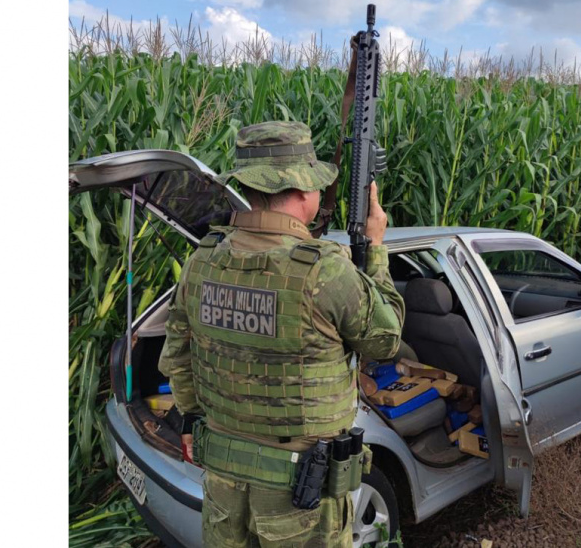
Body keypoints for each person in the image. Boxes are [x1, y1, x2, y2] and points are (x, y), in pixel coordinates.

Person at [158, 120, 405, 547]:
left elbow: (177, 353)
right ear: (304, 190)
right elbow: (386, 340)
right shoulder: (323, 270)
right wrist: (376, 247)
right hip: (300, 496)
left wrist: (195, 416)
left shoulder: (204, 259)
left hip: (224, 484)